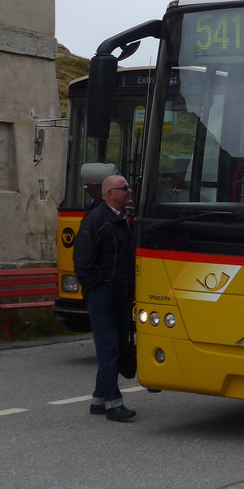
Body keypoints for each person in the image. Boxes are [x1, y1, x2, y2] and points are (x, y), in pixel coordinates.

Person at [73, 175, 137, 422]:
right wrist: (98, 287)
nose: (129, 191)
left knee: (119, 346)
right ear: (110, 193)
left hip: (120, 294)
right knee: (109, 348)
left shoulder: (124, 220)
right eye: (124, 188)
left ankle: (99, 399)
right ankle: (113, 403)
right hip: (103, 295)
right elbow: (82, 261)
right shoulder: (96, 220)